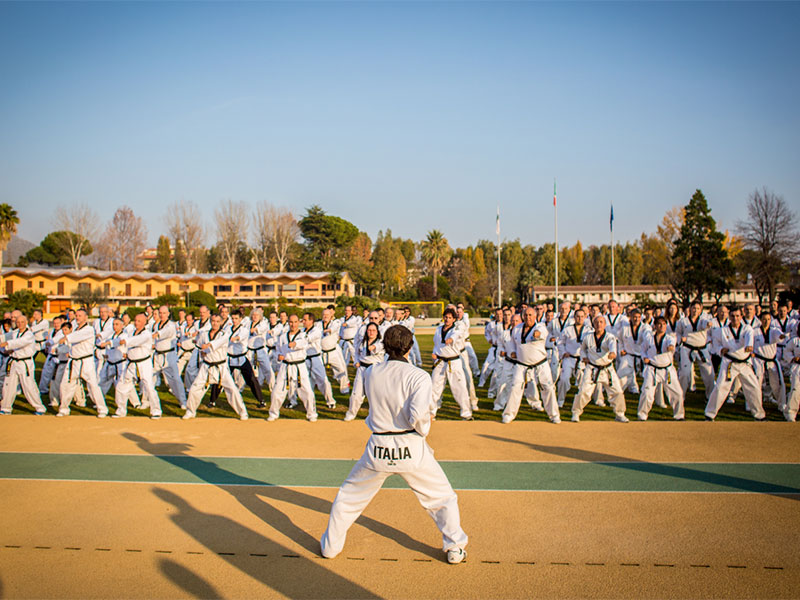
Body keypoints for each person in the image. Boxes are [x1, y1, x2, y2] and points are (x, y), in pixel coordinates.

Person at [320, 324, 469, 564]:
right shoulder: (418, 375)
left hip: (378, 446)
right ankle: (455, 546)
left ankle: (330, 547)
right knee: (442, 498)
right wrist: (423, 431)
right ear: (409, 347)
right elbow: (418, 416)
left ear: (385, 346)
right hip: (409, 444)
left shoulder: (371, 373)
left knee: (348, 498)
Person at [704, 306, 766, 421]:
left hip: (744, 364)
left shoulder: (747, 329)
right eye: (732, 316)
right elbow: (715, 344)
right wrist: (720, 350)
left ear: (741, 317)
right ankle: (709, 414)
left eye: (737, 316)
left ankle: (759, 415)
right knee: (720, 388)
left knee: (754, 388)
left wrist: (749, 346)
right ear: (729, 317)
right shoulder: (722, 331)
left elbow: (749, 338)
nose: (735, 318)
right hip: (729, 363)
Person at [183, 313, 249, 421]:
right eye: (213, 321)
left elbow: (218, 343)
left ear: (221, 322)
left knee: (232, 389)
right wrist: (203, 353)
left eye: (217, 321)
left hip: (221, 367)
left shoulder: (224, 334)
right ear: (210, 321)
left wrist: (208, 345)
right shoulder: (204, 334)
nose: (215, 323)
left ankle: (242, 412)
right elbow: (200, 347)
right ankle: (190, 411)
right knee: (195, 388)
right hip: (207, 366)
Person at [502, 307, 560, 424]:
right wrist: (512, 351)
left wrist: (537, 334)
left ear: (534, 316)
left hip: (540, 365)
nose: (528, 317)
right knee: (515, 388)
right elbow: (512, 342)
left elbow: (541, 333)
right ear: (523, 316)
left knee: (548, 388)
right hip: (522, 365)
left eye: (530, 315)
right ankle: (508, 414)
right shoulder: (517, 329)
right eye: (526, 315)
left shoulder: (540, 327)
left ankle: (554, 415)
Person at [571, 315, 629, 423]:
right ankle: (576, 412)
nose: (599, 324)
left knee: (617, 392)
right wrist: (584, 357)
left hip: (607, 369)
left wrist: (612, 353)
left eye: (601, 322)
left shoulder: (610, 337)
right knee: (584, 391)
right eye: (596, 322)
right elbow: (583, 349)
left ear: (605, 324)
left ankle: (620, 414)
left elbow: (612, 346)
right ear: (593, 324)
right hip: (592, 369)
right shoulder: (588, 337)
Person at [57, 308, 109, 418]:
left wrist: (66, 338)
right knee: (66, 385)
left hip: (86, 361)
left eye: (80, 315)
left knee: (93, 386)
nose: (77, 317)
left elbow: (76, 337)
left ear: (86, 317)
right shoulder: (75, 329)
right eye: (76, 315)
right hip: (73, 361)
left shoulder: (89, 329)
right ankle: (64, 408)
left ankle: (102, 409)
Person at [268, 314, 317, 422]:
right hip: (285, 366)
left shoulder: (303, 335)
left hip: (299, 366)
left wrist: (295, 343)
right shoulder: (282, 337)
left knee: (307, 391)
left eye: (295, 322)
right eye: (291, 322)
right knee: (277, 391)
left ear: (298, 323)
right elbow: (278, 350)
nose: (293, 324)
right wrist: (279, 357)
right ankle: (273, 413)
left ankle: (311, 413)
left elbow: (303, 343)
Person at [112, 313, 161, 419]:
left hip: (144, 363)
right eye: (135, 320)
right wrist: (113, 343)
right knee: (122, 386)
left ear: (144, 322)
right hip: (131, 363)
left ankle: (156, 410)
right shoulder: (130, 332)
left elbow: (137, 340)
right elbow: (122, 339)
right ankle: (121, 410)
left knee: (149, 386)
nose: (136, 323)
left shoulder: (146, 334)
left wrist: (126, 341)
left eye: (139, 321)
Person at [637, 317, 685, 421]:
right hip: (652, 369)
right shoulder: (649, 338)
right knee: (647, 393)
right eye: (659, 324)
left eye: (664, 324)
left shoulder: (669, 338)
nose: (661, 326)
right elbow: (643, 350)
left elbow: (671, 344)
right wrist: (644, 357)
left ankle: (679, 415)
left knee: (677, 393)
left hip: (667, 370)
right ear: (655, 326)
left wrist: (671, 347)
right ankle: (642, 415)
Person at [0, 314, 47, 415]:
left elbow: (20, 342)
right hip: (13, 361)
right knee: (8, 385)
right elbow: (4, 337)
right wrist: (3, 341)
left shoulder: (29, 334)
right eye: (18, 322)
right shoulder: (15, 332)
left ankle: (40, 408)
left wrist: (7, 344)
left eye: (22, 322)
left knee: (28, 386)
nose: (20, 324)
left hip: (25, 363)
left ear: (26, 323)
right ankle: (6, 407)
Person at [431, 307, 472, 420]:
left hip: (453, 362)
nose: (447, 319)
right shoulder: (438, 329)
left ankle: (466, 413)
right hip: (440, 362)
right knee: (434, 388)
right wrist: (434, 353)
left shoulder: (456, 330)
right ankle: (431, 411)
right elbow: (436, 343)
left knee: (459, 388)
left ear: (454, 319)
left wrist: (451, 340)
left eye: (450, 318)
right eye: (446, 317)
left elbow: (456, 336)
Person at [344, 322, 385, 421]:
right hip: (362, 368)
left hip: (375, 369)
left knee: (376, 394)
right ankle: (351, 413)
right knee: (356, 393)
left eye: (373, 330)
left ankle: (378, 416)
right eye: (369, 330)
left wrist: (374, 347)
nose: (371, 332)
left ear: (377, 332)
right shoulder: (362, 342)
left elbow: (379, 348)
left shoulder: (381, 343)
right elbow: (357, 354)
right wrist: (356, 362)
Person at [152, 306, 188, 409]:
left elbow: (165, 333)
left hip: (169, 356)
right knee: (151, 378)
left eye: (164, 313)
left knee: (175, 380)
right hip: (158, 355)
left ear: (168, 314)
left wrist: (157, 334)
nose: (162, 315)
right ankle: (146, 401)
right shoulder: (156, 325)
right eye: (160, 313)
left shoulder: (171, 325)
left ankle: (183, 401)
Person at [556, 307, 590, 408]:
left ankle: (579, 403)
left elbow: (591, 344)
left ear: (585, 317)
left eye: (582, 317)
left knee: (582, 383)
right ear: (574, 317)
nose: (579, 318)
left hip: (582, 360)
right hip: (569, 358)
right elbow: (560, 343)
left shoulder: (589, 330)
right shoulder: (567, 329)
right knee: (564, 379)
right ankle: (560, 400)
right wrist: (563, 352)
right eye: (577, 316)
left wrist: (588, 356)